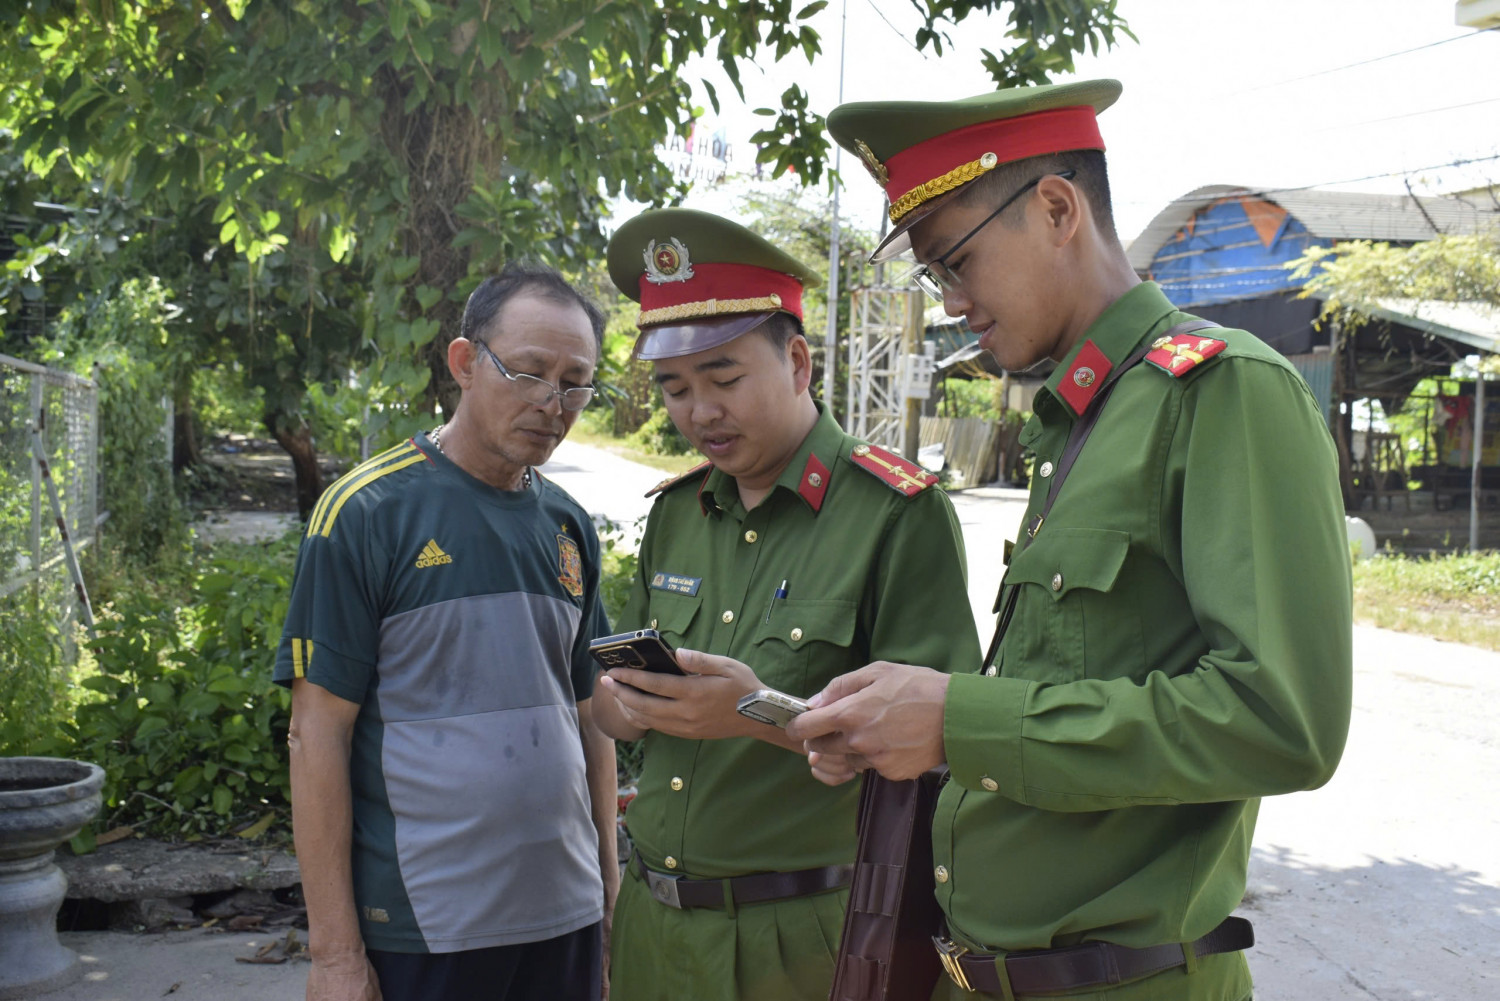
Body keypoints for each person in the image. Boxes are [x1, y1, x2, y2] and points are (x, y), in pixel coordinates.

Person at [788, 79, 1354, 1001]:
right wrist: (913, 733)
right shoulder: (1079, 420)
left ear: (1056, 208)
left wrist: (958, 719)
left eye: (957, 262)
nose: (953, 302)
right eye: (935, 277)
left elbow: (1282, 721)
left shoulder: (1221, 392)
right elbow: (1068, 691)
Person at [588, 208, 981, 1001]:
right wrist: (623, 705)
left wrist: (756, 712)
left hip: (804, 938)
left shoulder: (895, 514)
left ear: (798, 362)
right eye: (675, 388)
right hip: (654, 928)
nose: (700, 412)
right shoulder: (676, 513)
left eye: (725, 379)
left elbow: (941, 748)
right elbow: (619, 706)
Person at [274, 263, 619, 1001]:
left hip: (567, 916)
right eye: (528, 372)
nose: (552, 403)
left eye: (575, 383)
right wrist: (335, 954)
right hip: (425, 924)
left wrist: (611, 892)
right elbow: (317, 734)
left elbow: (591, 718)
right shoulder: (366, 514)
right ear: (465, 362)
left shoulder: (567, 526)